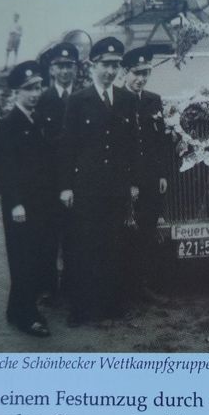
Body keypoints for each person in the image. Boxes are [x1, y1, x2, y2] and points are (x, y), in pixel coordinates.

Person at [59, 37, 140, 326]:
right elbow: (67, 146)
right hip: (87, 187)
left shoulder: (127, 100)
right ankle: (81, 308)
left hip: (116, 187)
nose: (110, 71)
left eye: (115, 65)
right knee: (85, 247)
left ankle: (111, 303)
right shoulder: (78, 100)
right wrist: (67, 185)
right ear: (93, 65)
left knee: (114, 245)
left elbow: (131, 146)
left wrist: (132, 182)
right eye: (105, 65)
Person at [0, 61, 54, 337]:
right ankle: (26, 316)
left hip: (40, 202)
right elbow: (5, 169)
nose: (35, 93)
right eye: (29, 89)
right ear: (17, 92)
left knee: (37, 256)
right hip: (19, 206)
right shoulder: (7, 126)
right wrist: (15, 202)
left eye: (39, 87)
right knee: (22, 259)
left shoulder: (39, 120)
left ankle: (16, 309)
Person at [121, 45, 170, 300]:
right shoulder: (116, 101)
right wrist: (128, 182)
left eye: (145, 73)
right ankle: (126, 290)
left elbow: (159, 141)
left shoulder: (153, 100)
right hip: (128, 182)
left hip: (151, 179)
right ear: (125, 72)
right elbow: (117, 147)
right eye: (136, 73)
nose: (141, 78)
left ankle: (145, 286)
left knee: (148, 233)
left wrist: (162, 174)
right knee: (127, 236)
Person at [34, 42, 81, 304]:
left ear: (76, 69)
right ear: (52, 70)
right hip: (50, 182)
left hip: (77, 179)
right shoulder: (43, 100)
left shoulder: (83, 97)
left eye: (70, 66)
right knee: (49, 237)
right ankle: (49, 288)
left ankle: (72, 286)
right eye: (60, 66)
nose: (65, 71)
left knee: (75, 235)